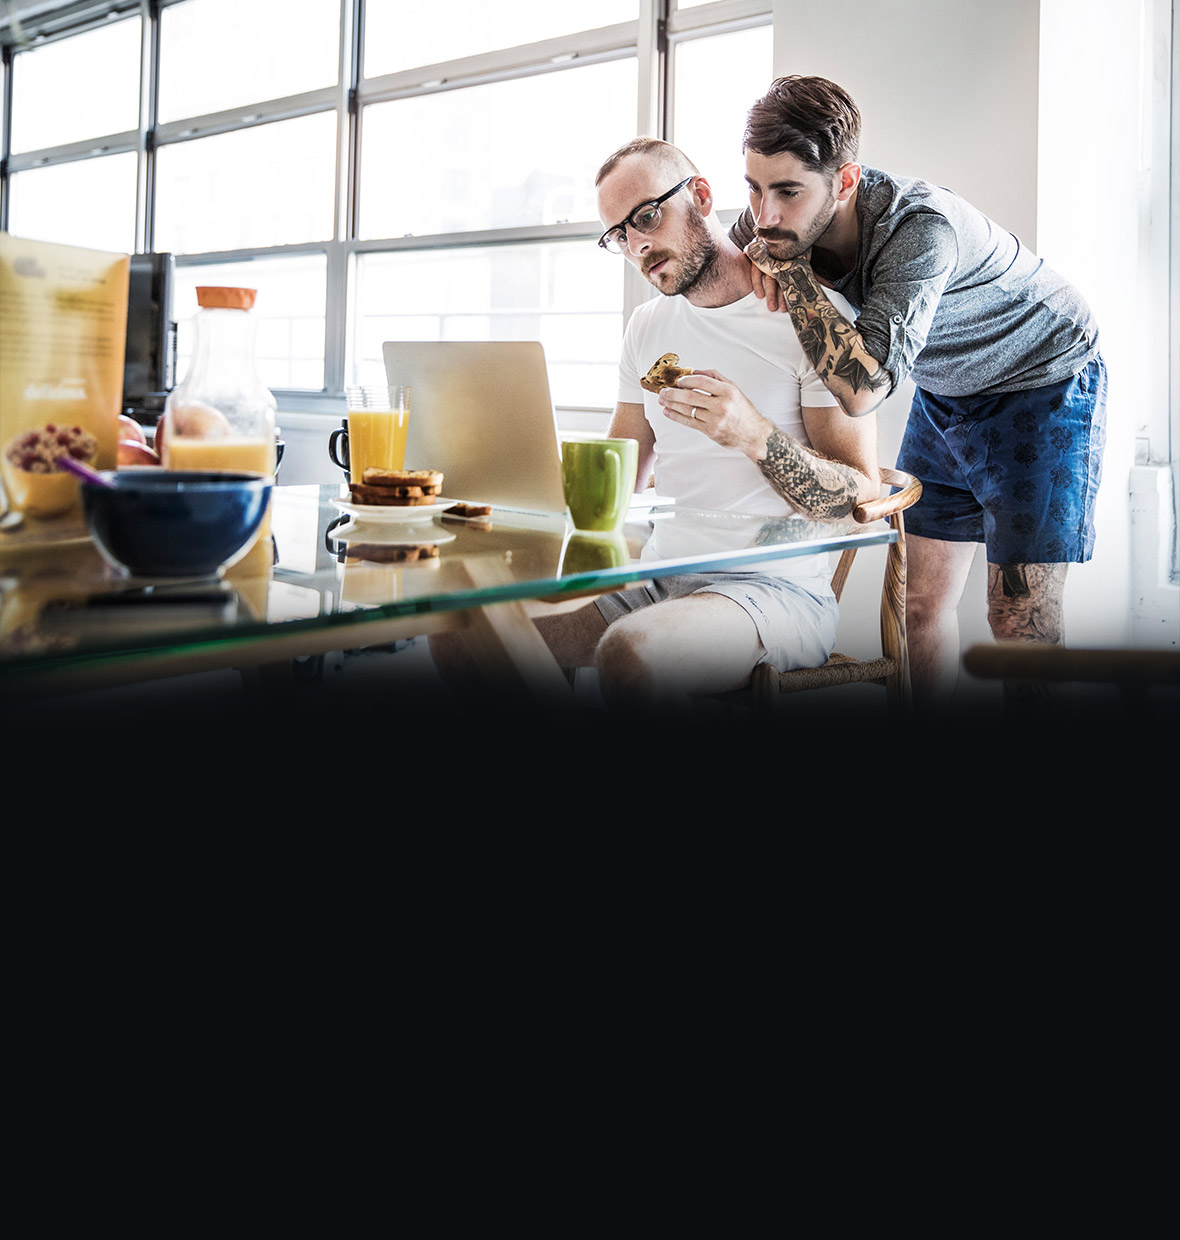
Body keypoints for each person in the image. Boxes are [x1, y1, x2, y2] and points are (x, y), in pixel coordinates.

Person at [732, 75, 1106, 712]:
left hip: (1042, 379)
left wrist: (791, 276)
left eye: (788, 192)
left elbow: (862, 389)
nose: (765, 217)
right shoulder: (773, 214)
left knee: (1018, 619)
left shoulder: (920, 229)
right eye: (754, 188)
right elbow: (730, 263)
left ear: (845, 181)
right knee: (921, 603)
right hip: (948, 389)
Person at [521, 136, 881, 712]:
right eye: (620, 235)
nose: (638, 244)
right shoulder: (646, 327)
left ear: (703, 196)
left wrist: (753, 434)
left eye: (646, 216)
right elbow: (622, 475)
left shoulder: (809, 322)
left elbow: (862, 496)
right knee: (464, 634)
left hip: (772, 592)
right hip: (659, 577)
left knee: (631, 656)